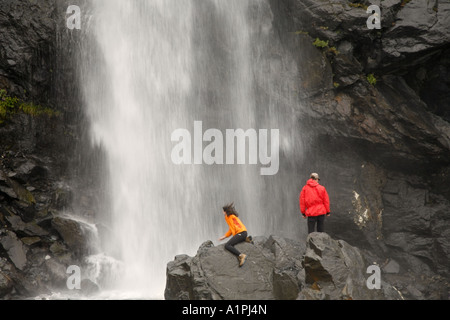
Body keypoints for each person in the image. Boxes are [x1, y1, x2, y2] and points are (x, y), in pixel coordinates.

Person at [218, 203, 248, 267]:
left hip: (240, 233)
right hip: (244, 232)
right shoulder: (233, 216)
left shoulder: (228, 217)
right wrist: (225, 236)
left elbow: (232, 229)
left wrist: (231, 237)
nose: (222, 212)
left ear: (225, 211)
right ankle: (245, 239)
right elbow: (232, 228)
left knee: (227, 245)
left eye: (223, 211)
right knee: (233, 241)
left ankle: (241, 256)